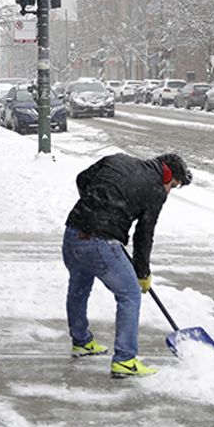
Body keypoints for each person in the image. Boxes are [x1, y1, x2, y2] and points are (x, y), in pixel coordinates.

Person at [63, 152, 192, 379]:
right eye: (174, 185)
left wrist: (96, 210)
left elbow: (82, 179)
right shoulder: (156, 190)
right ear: (168, 175)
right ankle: (125, 359)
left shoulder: (117, 159)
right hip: (99, 241)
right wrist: (142, 273)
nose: (170, 191)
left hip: (73, 233)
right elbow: (144, 235)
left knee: (79, 287)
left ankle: (81, 341)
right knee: (130, 293)